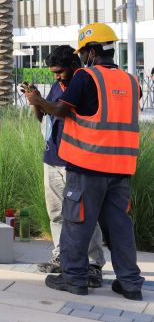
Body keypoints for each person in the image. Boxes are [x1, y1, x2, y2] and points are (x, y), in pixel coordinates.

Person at [25, 23, 145, 300]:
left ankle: (74, 278)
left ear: (91, 52)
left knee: (76, 222)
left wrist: (37, 100)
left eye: (84, 53)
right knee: (120, 227)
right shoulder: (132, 81)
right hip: (121, 169)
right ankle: (130, 283)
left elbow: (59, 110)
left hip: (87, 165)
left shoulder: (86, 77)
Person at [22, 45, 105, 287]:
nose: (56, 76)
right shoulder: (59, 84)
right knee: (57, 212)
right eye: (53, 72)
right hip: (53, 157)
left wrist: (41, 101)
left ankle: (93, 263)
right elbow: (46, 117)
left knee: (83, 214)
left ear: (73, 65)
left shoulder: (82, 83)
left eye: (59, 71)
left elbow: (62, 111)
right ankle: (61, 256)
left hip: (76, 161)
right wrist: (35, 101)